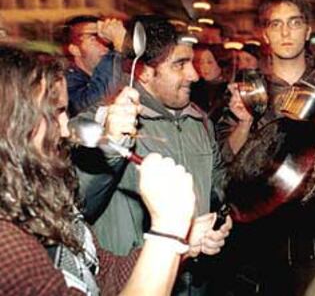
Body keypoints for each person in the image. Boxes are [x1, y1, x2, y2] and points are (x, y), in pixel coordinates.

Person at [0, 45, 198, 296]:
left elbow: (105, 275)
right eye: (55, 113)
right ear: (10, 123)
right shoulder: (5, 244)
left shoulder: (41, 196)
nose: (64, 129)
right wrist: (167, 232)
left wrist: (185, 240)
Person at [216, 0, 315, 295]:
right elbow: (228, 165)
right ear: (265, 34)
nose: (286, 32)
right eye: (276, 24)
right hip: (268, 248)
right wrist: (244, 122)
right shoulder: (248, 90)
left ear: (308, 30)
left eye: (295, 22)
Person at [74, 15, 232, 296]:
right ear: (145, 71)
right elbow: (78, 203)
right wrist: (111, 143)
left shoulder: (201, 122)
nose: (194, 75)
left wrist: (219, 222)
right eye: (180, 64)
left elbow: (218, 186)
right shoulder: (98, 122)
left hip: (194, 284)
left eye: (192, 63)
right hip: (134, 281)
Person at [63, 15, 128, 117]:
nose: (103, 46)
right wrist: (119, 44)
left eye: (105, 39)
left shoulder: (118, 70)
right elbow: (93, 104)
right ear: (74, 49)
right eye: (94, 39)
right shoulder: (65, 81)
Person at [191, 43, 229, 123]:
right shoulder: (194, 87)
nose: (204, 67)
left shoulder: (228, 90)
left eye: (209, 62)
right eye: (201, 62)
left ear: (220, 63)